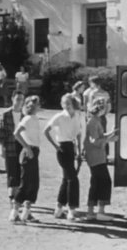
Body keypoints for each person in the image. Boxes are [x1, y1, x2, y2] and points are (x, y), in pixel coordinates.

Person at [43, 94, 83, 222]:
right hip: (62, 147)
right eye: (65, 103)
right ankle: (71, 210)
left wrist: (79, 151)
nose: (67, 105)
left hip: (71, 147)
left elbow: (78, 134)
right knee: (73, 179)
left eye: (69, 102)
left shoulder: (76, 116)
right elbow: (46, 131)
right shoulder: (59, 116)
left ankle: (59, 208)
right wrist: (56, 146)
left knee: (66, 179)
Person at [84, 98, 119, 221]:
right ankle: (100, 211)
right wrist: (110, 139)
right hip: (96, 156)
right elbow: (95, 141)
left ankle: (92, 211)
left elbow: (99, 136)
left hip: (97, 156)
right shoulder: (93, 121)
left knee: (97, 182)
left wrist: (110, 133)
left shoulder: (94, 120)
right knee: (104, 182)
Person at [10, 95, 42, 223]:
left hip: (34, 151)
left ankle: (26, 212)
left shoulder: (35, 119)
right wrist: (27, 148)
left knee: (33, 183)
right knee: (25, 183)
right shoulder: (27, 119)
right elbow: (16, 133)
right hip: (29, 152)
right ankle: (14, 213)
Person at [0, 91, 25, 208]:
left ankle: (18, 198)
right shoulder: (6, 114)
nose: (19, 102)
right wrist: (1, 148)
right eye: (17, 99)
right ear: (12, 99)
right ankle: (11, 198)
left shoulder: (25, 115)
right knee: (11, 172)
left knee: (21, 173)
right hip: (10, 145)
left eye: (21, 99)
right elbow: (1, 133)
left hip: (22, 146)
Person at [84, 76, 111, 158]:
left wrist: (88, 115)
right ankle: (105, 153)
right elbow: (109, 106)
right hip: (102, 117)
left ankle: (91, 153)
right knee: (103, 134)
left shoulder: (93, 93)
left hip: (93, 116)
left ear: (94, 83)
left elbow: (90, 105)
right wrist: (104, 113)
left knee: (92, 134)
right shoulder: (106, 93)